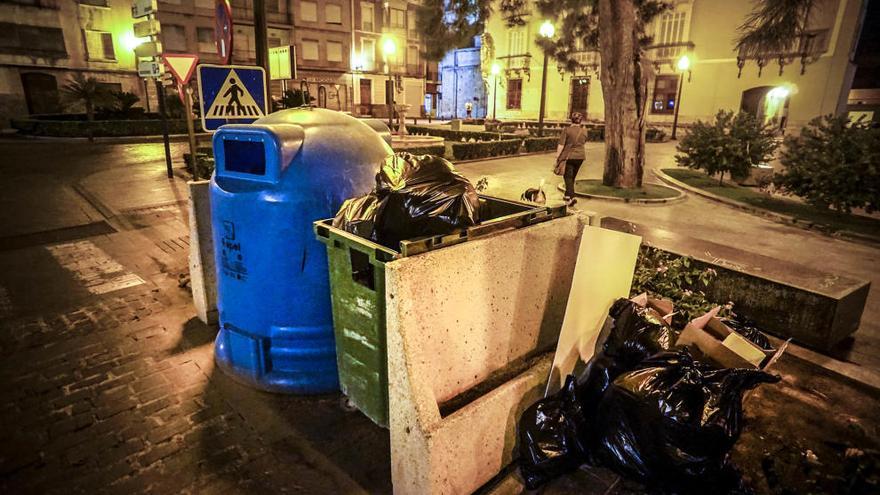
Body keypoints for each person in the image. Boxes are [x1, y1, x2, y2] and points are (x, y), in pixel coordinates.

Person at [556, 112, 588, 206]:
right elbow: (584, 142)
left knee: (567, 177)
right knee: (572, 177)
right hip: (581, 157)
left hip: (569, 156)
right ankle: (567, 196)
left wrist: (558, 156)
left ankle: (572, 197)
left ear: (571, 120)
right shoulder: (584, 131)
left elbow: (561, 145)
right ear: (580, 121)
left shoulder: (567, 130)